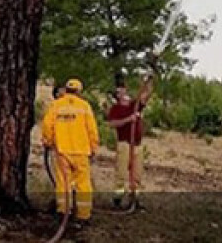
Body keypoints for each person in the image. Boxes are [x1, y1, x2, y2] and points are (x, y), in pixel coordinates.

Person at [41, 77, 99, 224]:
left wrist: (48, 141)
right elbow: (92, 129)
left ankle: (63, 211)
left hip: (62, 151)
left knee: (63, 183)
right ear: (79, 91)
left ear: (66, 90)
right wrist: (93, 148)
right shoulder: (84, 106)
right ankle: (83, 216)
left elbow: (47, 125)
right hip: (81, 151)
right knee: (83, 184)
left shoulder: (56, 105)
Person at [105, 73, 153, 208]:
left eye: (122, 89)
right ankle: (118, 198)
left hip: (137, 145)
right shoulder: (116, 109)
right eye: (118, 90)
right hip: (124, 144)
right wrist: (128, 120)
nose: (121, 91)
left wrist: (149, 81)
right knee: (121, 172)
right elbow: (112, 124)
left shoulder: (134, 104)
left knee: (137, 173)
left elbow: (146, 95)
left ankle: (135, 199)